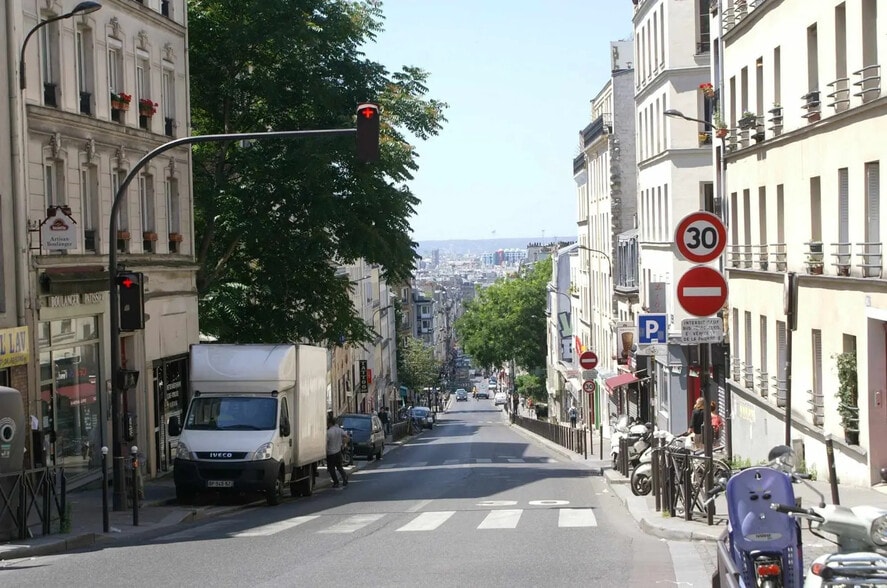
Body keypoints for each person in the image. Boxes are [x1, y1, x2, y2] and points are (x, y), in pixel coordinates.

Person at [325, 415, 348, 488]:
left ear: (330, 423)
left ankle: (336, 482)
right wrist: (344, 444)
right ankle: (344, 477)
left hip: (330, 453)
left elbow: (326, 442)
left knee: (331, 469)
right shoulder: (339, 430)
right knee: (339, 467)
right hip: (338, 451)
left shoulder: (328, 432)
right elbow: (346, 436)